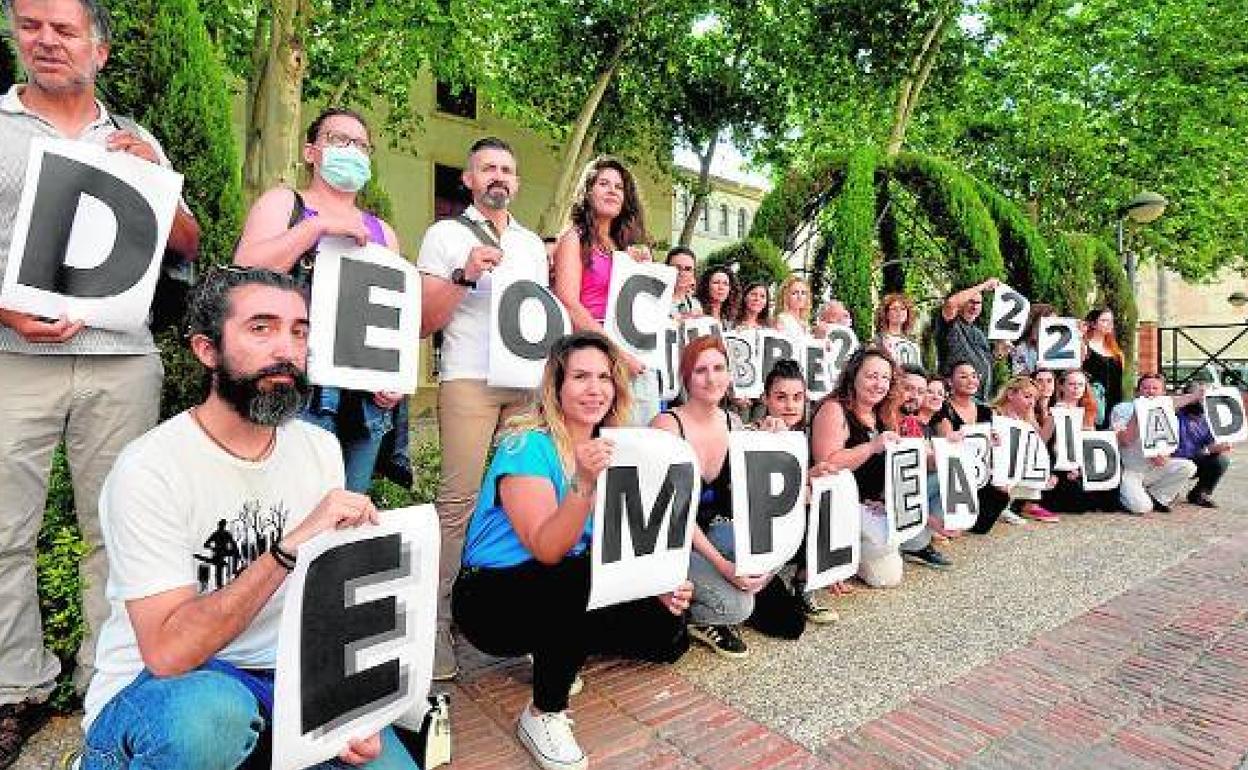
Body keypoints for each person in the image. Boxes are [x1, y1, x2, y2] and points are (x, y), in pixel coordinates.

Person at [79, 268, 416, 769]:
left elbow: (330, 607)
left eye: (299, 331)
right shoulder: (150, 467)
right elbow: (169, 653)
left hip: (283, 684)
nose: (286, 349)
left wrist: (347, 707)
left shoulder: (320, 447)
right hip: (171, 692)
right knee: (209, 720)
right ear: (206, 350)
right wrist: (287, 550)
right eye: (261, 328)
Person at [0, 0, 202, 753]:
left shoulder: (137, 136)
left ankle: (104, 675)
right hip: (12, 359)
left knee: (118, 529)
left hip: (121, 358)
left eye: (64, 29)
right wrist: (5, 312)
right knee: (3, 531)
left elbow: (186, 241)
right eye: (31, 26)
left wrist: (159, 179)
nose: (47, 41)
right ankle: (14, 686)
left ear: (99, 49)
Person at [453, 332, 691, 770]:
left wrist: (655, 583)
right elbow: (547, 549)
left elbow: (621, 541)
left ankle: (557, 643)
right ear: (557, 386)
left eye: (604, 377)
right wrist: (583, 483)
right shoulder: (527, 446)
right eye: (580, 376)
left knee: (668, 630)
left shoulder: (621, 448)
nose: (595, 388)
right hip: (491, 597)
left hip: (563, 582)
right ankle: (543, 713)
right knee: (573, 577)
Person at [417, 136, 550, 680]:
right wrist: (465, 275)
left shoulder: (530, 245)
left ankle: (513, 618)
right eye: (488, 168)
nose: (499, 175)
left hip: (524, 384)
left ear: (516, 183)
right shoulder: (445, 234)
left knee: (524, 501)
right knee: (458, 505)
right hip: (470, 379)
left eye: (507, 169)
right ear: (468, 180)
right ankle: (435, 631)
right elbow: (425, 320)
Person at [234, 107, 403, 494]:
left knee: (345, 514)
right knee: (290, 507)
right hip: (295, 386)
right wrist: (317, 227)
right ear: (311, 152)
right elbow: (245, 272)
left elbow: (393, 312)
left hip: (363, 400)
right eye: (338, 140)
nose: (352, 150)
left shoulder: (383, 232)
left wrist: (392, 379)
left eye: (361, 145)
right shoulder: (284, 204)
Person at [652, 337, 809, 657]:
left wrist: (771, 440)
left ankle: (721, 590)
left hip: (717, 530)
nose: (711, 378)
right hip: (676, 539)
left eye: (719, 368)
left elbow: (757, 498)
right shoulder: (666, 427)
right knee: (738, 605)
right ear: (686, 377)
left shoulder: (734, 424)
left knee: (789, 621)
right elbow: (674, 514)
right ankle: (701, 613)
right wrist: (724, 567)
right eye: (700, 370)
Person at [552, 156, 657, 424]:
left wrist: (643, 267)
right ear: (588, 192)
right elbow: (568, 301)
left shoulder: (626, 247)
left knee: (636, 441)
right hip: (590, 350)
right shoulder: (573, 239)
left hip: (633, 348)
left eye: (619, 187)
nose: (612, 190)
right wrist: (615, 353)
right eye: (603, 184)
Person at [811, 349, 906, 588]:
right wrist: (871, 447)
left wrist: (885, 500)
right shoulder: (834, 409)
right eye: (872, 376)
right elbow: (827, 464)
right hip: (838, 509)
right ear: (853, 376)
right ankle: (833, 557)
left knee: (889, 576)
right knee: (886, 554)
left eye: (885, 378)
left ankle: (852, 554)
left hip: (871, 506)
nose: (879, 384)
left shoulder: (884, 414)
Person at [753, 360, 839, 623]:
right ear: (766, 399)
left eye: (797, 397)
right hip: (758, 530)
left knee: (825, 501)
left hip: (789, 521)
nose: (790, 405)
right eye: (781, 397)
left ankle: (804, 583)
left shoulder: (801, 437)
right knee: (787, 623)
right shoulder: (751, 435)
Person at [931, 361, 1010, 533]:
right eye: (963, 376)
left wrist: (994, 440)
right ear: (950, 382)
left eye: (974, 376)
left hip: (980, 473)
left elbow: (992, 447)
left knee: (1001, 495)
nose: (971, 380)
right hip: (956, 474)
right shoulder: (943, 408)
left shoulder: (985, 411)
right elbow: (947, 442)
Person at [1110, 374, 1198, 514]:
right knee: (1142, 508)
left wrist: (1164, 457)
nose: (1150, 392)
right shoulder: (1121, 409)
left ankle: (1157, 497)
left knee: (1188, 467)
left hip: (1154, 468)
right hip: (1131, 469)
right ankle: (1129, 496)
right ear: (1137, 391)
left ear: (1163, 393)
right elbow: (1125, 440)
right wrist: (1139, 412)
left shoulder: (1168, 412)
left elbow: (1169, 445)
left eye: (1155, 388)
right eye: (1145, 388)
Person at [894, 365, 953, 568]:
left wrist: (955, 453)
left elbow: (925, 463)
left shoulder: (912, 422)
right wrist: (929, 519)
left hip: (902, 495)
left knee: (946, 474)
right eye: (908, 388)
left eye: (920, 391)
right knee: (886, 575)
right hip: (878, 500)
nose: (915, 396)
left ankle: (917, 542)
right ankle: (911, 540)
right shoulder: (889, 419)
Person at [991, 375, 1060, 524]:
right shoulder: (993, 413)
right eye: (1027, 396)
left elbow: (1039, 443)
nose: (1031, 402)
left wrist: (1052, 419)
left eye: (1034, 399)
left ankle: (1007, 505)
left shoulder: (1025, 419)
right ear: (1010, 394)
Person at [1043, 369, 1110, 514]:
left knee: (1103, 498)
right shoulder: (1055, 411)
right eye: (1072, 384)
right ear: (1062, 386)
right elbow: (1043, 442)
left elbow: (1090, 444)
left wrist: (1080, 469)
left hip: (1081, 465)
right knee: (1077, 502)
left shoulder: (1088, 410)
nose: (1076, 389)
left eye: (1080, 385)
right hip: (1058, 465)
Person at [934, 278, 999, 399]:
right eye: (970, 302)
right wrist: (983, 286)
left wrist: (999, 353)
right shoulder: (950, 324)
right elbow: (951, 303)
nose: (974, 306)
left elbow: (985, 363)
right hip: (954, 398)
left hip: (980, 399)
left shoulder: (979, 333)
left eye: (978, 303)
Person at [1174, 384, 1232, 508]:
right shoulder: (1173, 413)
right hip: (1170, 460)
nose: (1199, 400)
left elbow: (1210, 446)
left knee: (1221, 460)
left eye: (1202, 398)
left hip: (1193, 459)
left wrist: (1219, 447)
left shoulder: (1208, 420)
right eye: (1196, 396)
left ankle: (1200, 493)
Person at [1083, 308, 1125, 428]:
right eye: (1104, 320)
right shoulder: (1085, 347)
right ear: (1093, 323)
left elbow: (1119, 383)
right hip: (1092, 400)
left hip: (1113, 402)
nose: (1109, 324)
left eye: (1111, 321)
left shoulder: (1116, 352)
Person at [873, 293, 921, 366]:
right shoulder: (878, 341)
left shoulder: (913, 342)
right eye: (894, 309)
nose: (899, 312)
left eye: (903, 309)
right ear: (886, 314)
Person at [1009, 304, 1056, 375]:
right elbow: (1021, 377)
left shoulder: (1055, 348)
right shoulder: (1020, 349)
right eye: (1047, 323)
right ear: (1033, 324)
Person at [666, 247, 702, 319]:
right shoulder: (655, 299)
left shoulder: (695, 305)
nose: (682, 273)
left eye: (688, 269)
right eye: (677, 268)